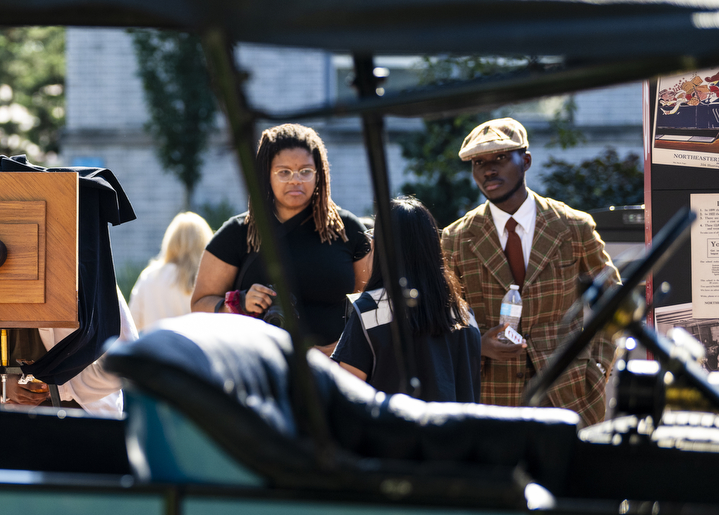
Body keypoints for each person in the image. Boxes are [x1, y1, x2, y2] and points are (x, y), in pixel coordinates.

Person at [441, 118, 619, 424]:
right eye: (478, 162)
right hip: (491, 398)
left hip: (570, 395)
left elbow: (615, 300)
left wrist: (599, 367)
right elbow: (442, 317)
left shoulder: (572, 226)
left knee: (574, 473)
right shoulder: (456, 238)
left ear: (525, 161)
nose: (488, 169)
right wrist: (478, 344)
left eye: (500, 158)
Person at [192, 123, 374, 352]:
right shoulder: (238, 233)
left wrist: (346, 349)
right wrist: (237, 302)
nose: (295, 180)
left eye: (305, 171)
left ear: (319, 174)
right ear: (266, 175)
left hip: (336, 372)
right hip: (261, 371)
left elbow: (375, 304)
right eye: (284, 172)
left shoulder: (347, 230)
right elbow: (199, 304)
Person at [331, 197, 481, 403]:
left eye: (374, 236)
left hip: (392, 433)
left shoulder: (368, 310)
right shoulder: (464, 314)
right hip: (454, 433)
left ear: (383, 247)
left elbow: (346, 394)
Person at [129, 211, 214, 332]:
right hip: (192, 349)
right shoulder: (207, 280)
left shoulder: (149, 276)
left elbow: (132, 324)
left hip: (153, 349)